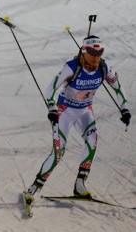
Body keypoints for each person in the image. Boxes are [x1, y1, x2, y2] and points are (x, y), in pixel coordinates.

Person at [23, 35, 130, 207]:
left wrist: (124, 107)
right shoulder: (72, 67)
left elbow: (117, 86)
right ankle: (33, 188)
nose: (96, 57)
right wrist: (51, 107)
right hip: (64, 111)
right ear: (84, 51)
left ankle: (80, 185)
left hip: (85, 111)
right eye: (93, 53)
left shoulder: (104, 67)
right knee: (58, 153)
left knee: (93, 140)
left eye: (100, 53)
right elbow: (51, 87)